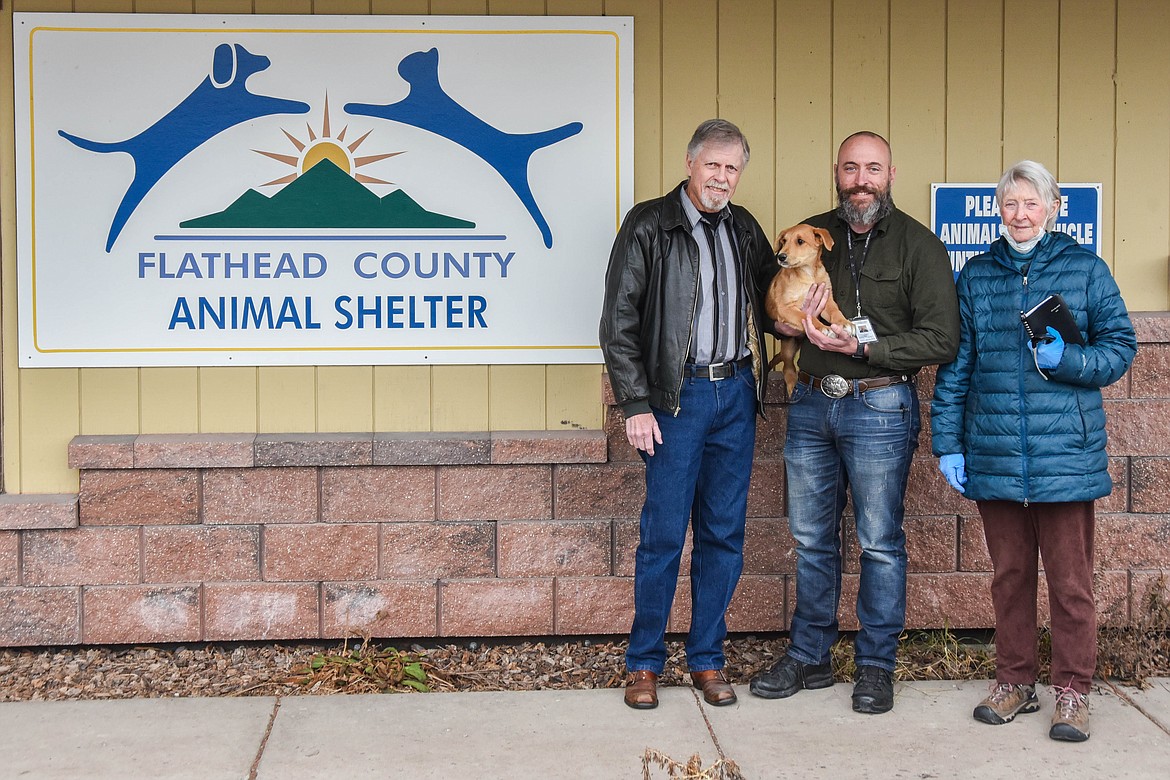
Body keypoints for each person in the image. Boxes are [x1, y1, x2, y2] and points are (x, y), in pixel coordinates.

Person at [748, 131, 960, 714]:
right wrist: (789, 328)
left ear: (891, 174)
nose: (860, 180)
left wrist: (867, 350)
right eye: (850, 169)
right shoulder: (809, 234)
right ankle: (810, 654)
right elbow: (765, 304)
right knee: (812, 538)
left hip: (880, 404)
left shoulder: (920, 245)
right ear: (836, 174)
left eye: (872, 168)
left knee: (879, 542)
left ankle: (874, 666)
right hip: (813, 401)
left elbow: (942, 338)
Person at [930, 160, 1136, 742]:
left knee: (1071, 584)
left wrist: (1069, 362)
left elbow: (1120, 346)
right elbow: (957, 368)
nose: (1019, 215)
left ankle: (1073, 690)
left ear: (1052, 207)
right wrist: (948, 442)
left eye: (1031, 203)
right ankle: (1015, 681)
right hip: (993, 453)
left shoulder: (1084, 269)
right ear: (998, 211)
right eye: (1009, 204)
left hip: (1064, 455)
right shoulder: (976, 276)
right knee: (1010, 577)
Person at [599, 119, 779, 710]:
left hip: (736, 396)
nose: (721, 179)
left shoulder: (744, 228)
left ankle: (706, 659)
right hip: (677, 401)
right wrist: (635, 403)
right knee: (663, 536)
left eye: (732, 169)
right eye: (713, 166)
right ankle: (644, 663)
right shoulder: (650, 225)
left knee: (724, 535)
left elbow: (773, 303)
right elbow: (619, 321)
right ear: (690, 163)